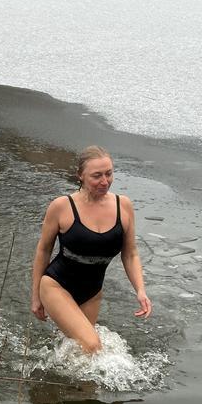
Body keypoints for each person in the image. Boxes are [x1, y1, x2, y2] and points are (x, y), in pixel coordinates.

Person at [31, 145, 152, 354]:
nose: (105, 181)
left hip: (92, 292)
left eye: (109, 174)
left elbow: (130, 253)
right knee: (93, 346)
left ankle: (65, 385)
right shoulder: (62, 206)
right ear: (80, 176)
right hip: (56, 286)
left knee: (78, 353)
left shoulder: (123, 206)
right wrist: (36, 296)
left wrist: (140, 290)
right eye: (97, 176)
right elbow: (43, 250)